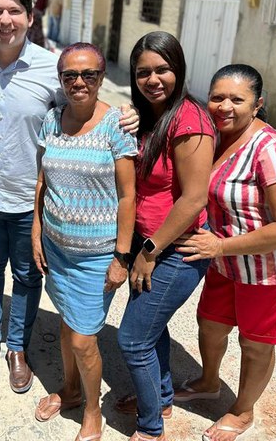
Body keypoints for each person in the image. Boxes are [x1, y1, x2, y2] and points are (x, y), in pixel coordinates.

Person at [0, 0, 138, 395]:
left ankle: (16, 348)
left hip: (28, 198)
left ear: (30, 15)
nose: (6, 19)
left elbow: (85, 104)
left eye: (14, 11)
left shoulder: (49, 68)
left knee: (25, 275)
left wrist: (129, 115)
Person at [175, 64, 276, 441]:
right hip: (226, 262)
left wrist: (219, 244)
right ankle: (208, 381)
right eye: (217, 97)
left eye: (238, 99)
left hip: (270, 270)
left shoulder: (270, 149)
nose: (225, 106)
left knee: (255, 342)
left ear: (257, 104)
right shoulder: (217, 136)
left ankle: (243, 409)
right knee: (211, 324)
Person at [32, 43, 137, 441]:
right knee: (66, 323)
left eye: (88, 75)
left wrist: (121, 258)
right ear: (60, 80)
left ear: (100, 77)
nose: (78, 82)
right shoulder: (52, 120)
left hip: (97, 256)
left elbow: (129, 196)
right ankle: (71, 390)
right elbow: (43, 182)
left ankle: (92, 411)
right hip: (57, 249)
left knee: (82, 337)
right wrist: (36, 231)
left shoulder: (116, 126)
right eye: (69, 76)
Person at [116, 31, 215, 441]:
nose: (153, 79)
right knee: (151, 327)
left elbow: (193, 199)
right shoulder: (152, 114)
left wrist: (150, 251)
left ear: (179, 69)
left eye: (163, 70)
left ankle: (150, 428)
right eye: (143, 73)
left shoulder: (189, 119)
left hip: (175, 248)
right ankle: (160, 397)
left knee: (132, 339)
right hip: (150, 242)